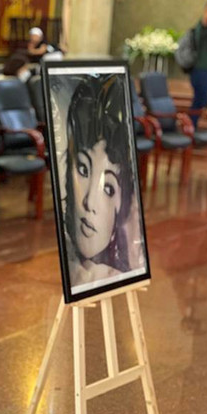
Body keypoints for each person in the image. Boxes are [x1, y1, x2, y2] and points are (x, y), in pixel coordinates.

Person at [64, 76, 138, 287]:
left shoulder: (121, 271)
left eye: (108, 188)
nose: (89, 202)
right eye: (83, 170)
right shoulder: (71, 265)